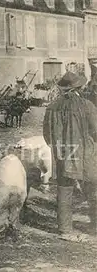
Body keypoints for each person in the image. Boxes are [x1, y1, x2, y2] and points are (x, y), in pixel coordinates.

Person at [43, 71, 97, 241]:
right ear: (79, 87)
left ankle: (65, 229)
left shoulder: (52, 106)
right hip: (85, 154)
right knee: (92, 188)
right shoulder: (86, 105)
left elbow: (47, 135)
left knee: (64, 189)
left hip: (62, 153)